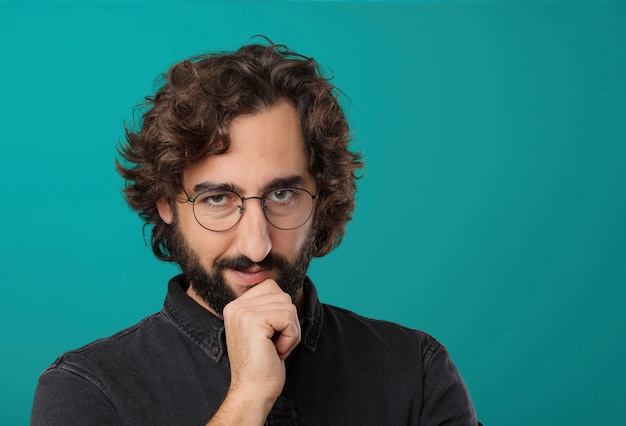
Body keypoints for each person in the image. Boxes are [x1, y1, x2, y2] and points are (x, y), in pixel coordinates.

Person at [32, 40, 481, 425]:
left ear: (321, 197)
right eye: (217, 199)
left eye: (282, 195)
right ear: (166, 203)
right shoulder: (85, 391)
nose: (256, 245)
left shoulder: (415, 371)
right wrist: (246, 400)